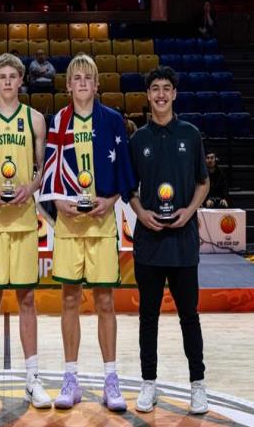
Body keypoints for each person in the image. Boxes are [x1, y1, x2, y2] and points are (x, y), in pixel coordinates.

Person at [39, 54, 136, 411]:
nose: (82, 83)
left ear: (96, 84)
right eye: (76, 78)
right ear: (68, 85)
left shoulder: (112, 120)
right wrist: (57, 200)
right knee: (69, 300)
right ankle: (71, 378)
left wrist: (111, 199)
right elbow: (50, 170)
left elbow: (124, 170)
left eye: (87, 78)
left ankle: (111, 379)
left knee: (105, 301)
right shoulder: (58, 120)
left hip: (101, 222)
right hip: (69, 224)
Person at [0, 53, 51, 409]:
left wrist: (30, 188)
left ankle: (32, 379)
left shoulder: (35, 119)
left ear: (20, 81)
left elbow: (41, 169)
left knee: (27, 299)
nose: (6, 82)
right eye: (1, 76)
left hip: (23, 219)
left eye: (12, 76)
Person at [128, 66, 210, 415]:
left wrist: (190, 211)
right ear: (148, 95)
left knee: (189, 316)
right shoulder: (137, 140)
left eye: (166, 88)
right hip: (149, 241)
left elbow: (203, 182)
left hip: (183, 241)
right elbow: (130, 190)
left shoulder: (190, 134)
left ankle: (198, 384)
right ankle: (149, 383)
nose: (161, 94)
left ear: (174, 94)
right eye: (155, 89)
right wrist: (140, 212)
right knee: (148, 317)